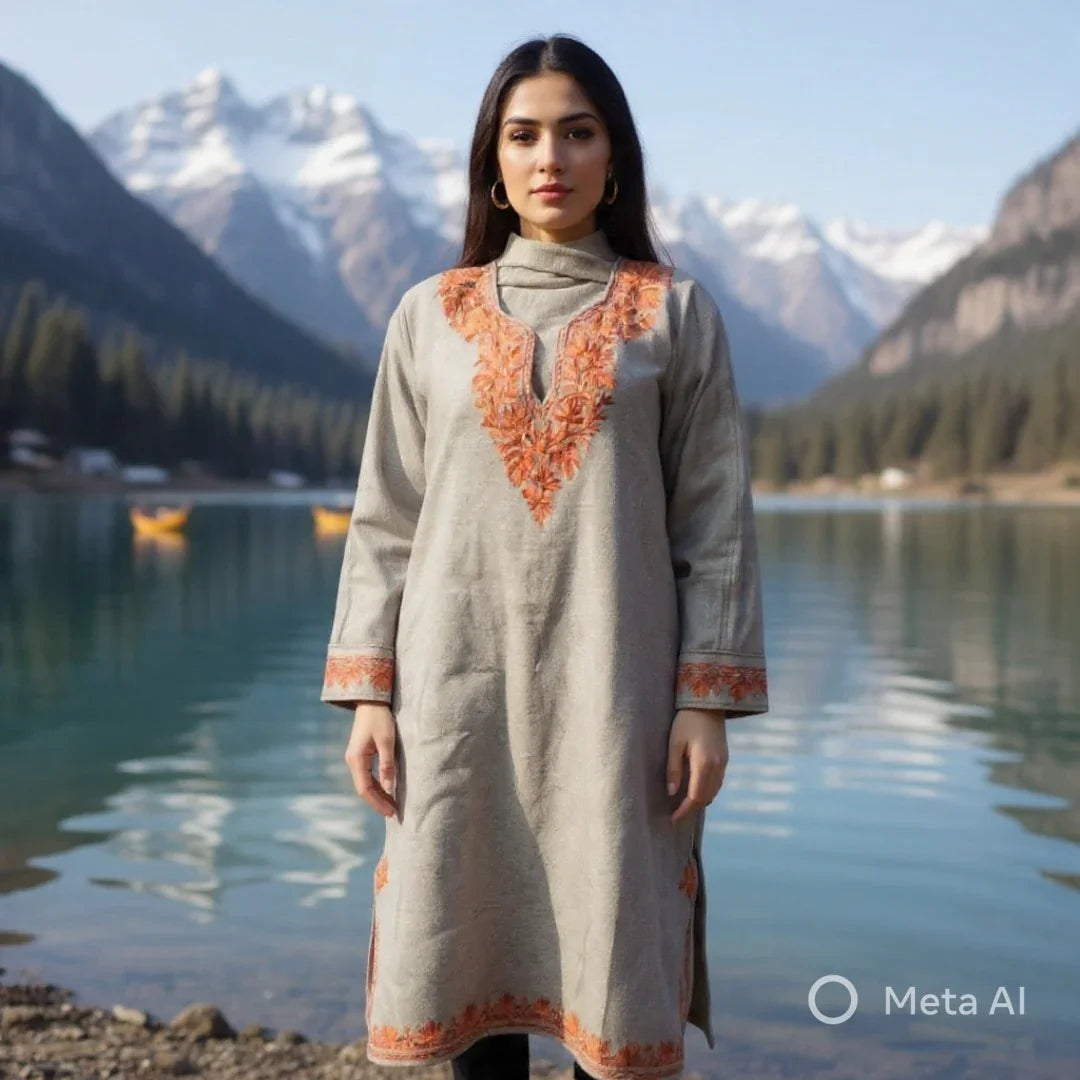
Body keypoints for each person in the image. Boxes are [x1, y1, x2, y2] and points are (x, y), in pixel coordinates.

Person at [320, 33, 769, 1080]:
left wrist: (704, 699)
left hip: (615, 703)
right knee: (465, 970)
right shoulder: (427, 317)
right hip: (455, 699)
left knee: (612, 966)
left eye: (578, 132)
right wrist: (370, 695)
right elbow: (386, 518)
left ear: (616, 158)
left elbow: (716, 526)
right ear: (492, 160)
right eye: (523, 135)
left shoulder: (676, 314)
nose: (549, 158)